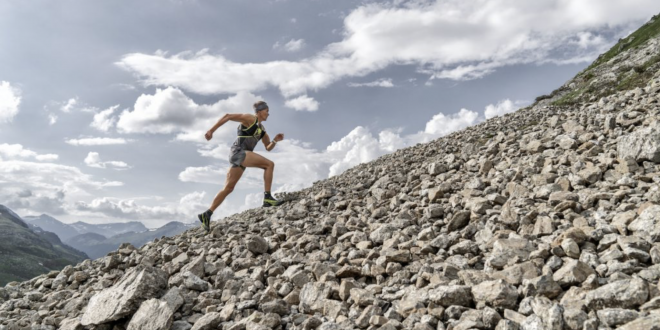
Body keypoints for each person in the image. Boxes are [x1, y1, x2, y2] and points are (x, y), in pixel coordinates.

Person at [197, 101, 285, 233]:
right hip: (239, 152)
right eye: (267, 110)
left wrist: (275, 141)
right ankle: (267, 198)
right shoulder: (251, 118)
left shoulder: (262, 131)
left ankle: (207, 214)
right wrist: (211, 130)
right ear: (260, 111)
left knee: (228, 188)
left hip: (240, 157)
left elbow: (268, 148)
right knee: (269, 164)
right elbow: (227, 116)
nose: (268, 113)